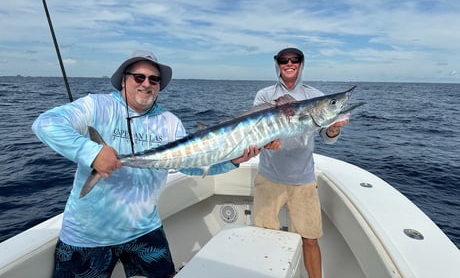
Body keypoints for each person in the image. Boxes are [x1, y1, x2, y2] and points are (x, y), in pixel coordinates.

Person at [32, 50, 260, 278]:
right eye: (138, 77)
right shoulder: (97, 105)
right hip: (86, 235)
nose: (146, 84)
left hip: (145, 231)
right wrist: (92, 152)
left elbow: (189, 165)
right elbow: (45, 124)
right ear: (124, 79)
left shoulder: (170, 122)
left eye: (154, 79)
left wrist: (232, 161)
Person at [252, 47, 350, 278]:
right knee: (265, 238)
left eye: (294, 60)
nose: (289, 63)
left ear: (301, 64)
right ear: (277, 64)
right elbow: (257, 130)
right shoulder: (265, 95)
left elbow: (327, 138)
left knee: (310, 239)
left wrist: (334, 128)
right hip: (269, 177)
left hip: (303, 179)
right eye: (284, 60)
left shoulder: (315, 95)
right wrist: (267, 142)